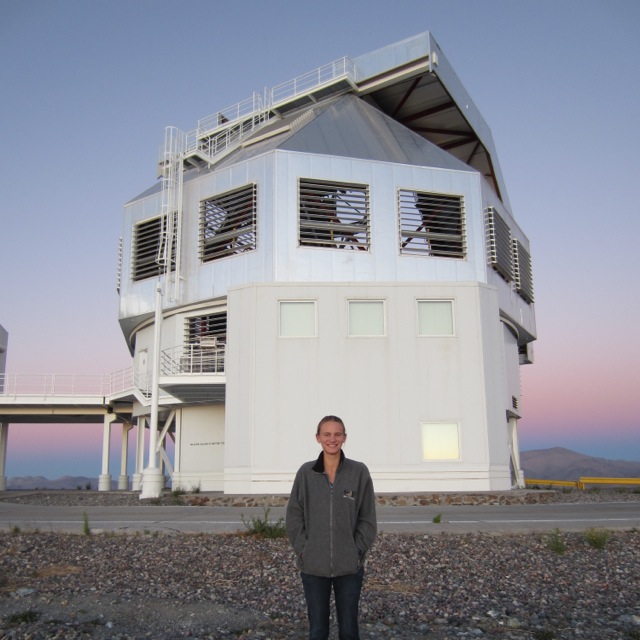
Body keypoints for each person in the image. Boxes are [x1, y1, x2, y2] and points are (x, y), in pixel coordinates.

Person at [286, 415, 377, 640]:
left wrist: (356, 551)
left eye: (337, 434)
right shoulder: (306, 473)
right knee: (317, 630)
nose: (332, 439)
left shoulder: (359, 472)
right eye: (327, 434)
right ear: (318, 438)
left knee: (349, 630)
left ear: (344, 438)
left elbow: (367, 518)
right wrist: (304, 551)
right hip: (313, 567)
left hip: (349, 567)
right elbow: (294, 517)